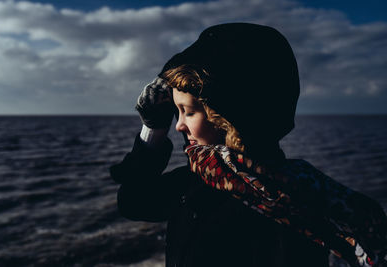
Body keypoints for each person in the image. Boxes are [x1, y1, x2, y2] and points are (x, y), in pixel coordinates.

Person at [110, 23, 387, 267]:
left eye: (189, 111)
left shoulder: (290, 207)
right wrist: (153, 127)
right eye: (176, 111)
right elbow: (133, 202)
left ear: (229, 114)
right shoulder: (198, 180)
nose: (179, 126)